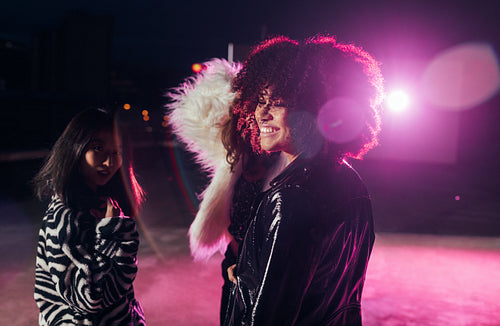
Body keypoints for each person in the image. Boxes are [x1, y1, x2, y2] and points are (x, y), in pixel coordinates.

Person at [223, 35, 384, 325]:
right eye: (260, 101)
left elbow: (271, 315)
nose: (262, 113)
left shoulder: (291, 197)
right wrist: (247, 277)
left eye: (279, 103)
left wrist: (246, 291)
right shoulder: (353, 182)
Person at [166, 58, 287, 325]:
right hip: (234, 267)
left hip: (266, 275)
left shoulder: (281, 159)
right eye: (249, 111)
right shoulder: (234, 158)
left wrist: (251, 267)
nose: (255, 118)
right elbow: (198, 110)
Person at [33, 108, 147, 325]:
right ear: (75, 148)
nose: (109, 161)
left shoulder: (97, 202)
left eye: (118, 151)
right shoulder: (65, 215)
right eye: (98, 148)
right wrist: (115, 231)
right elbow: (89, 297)